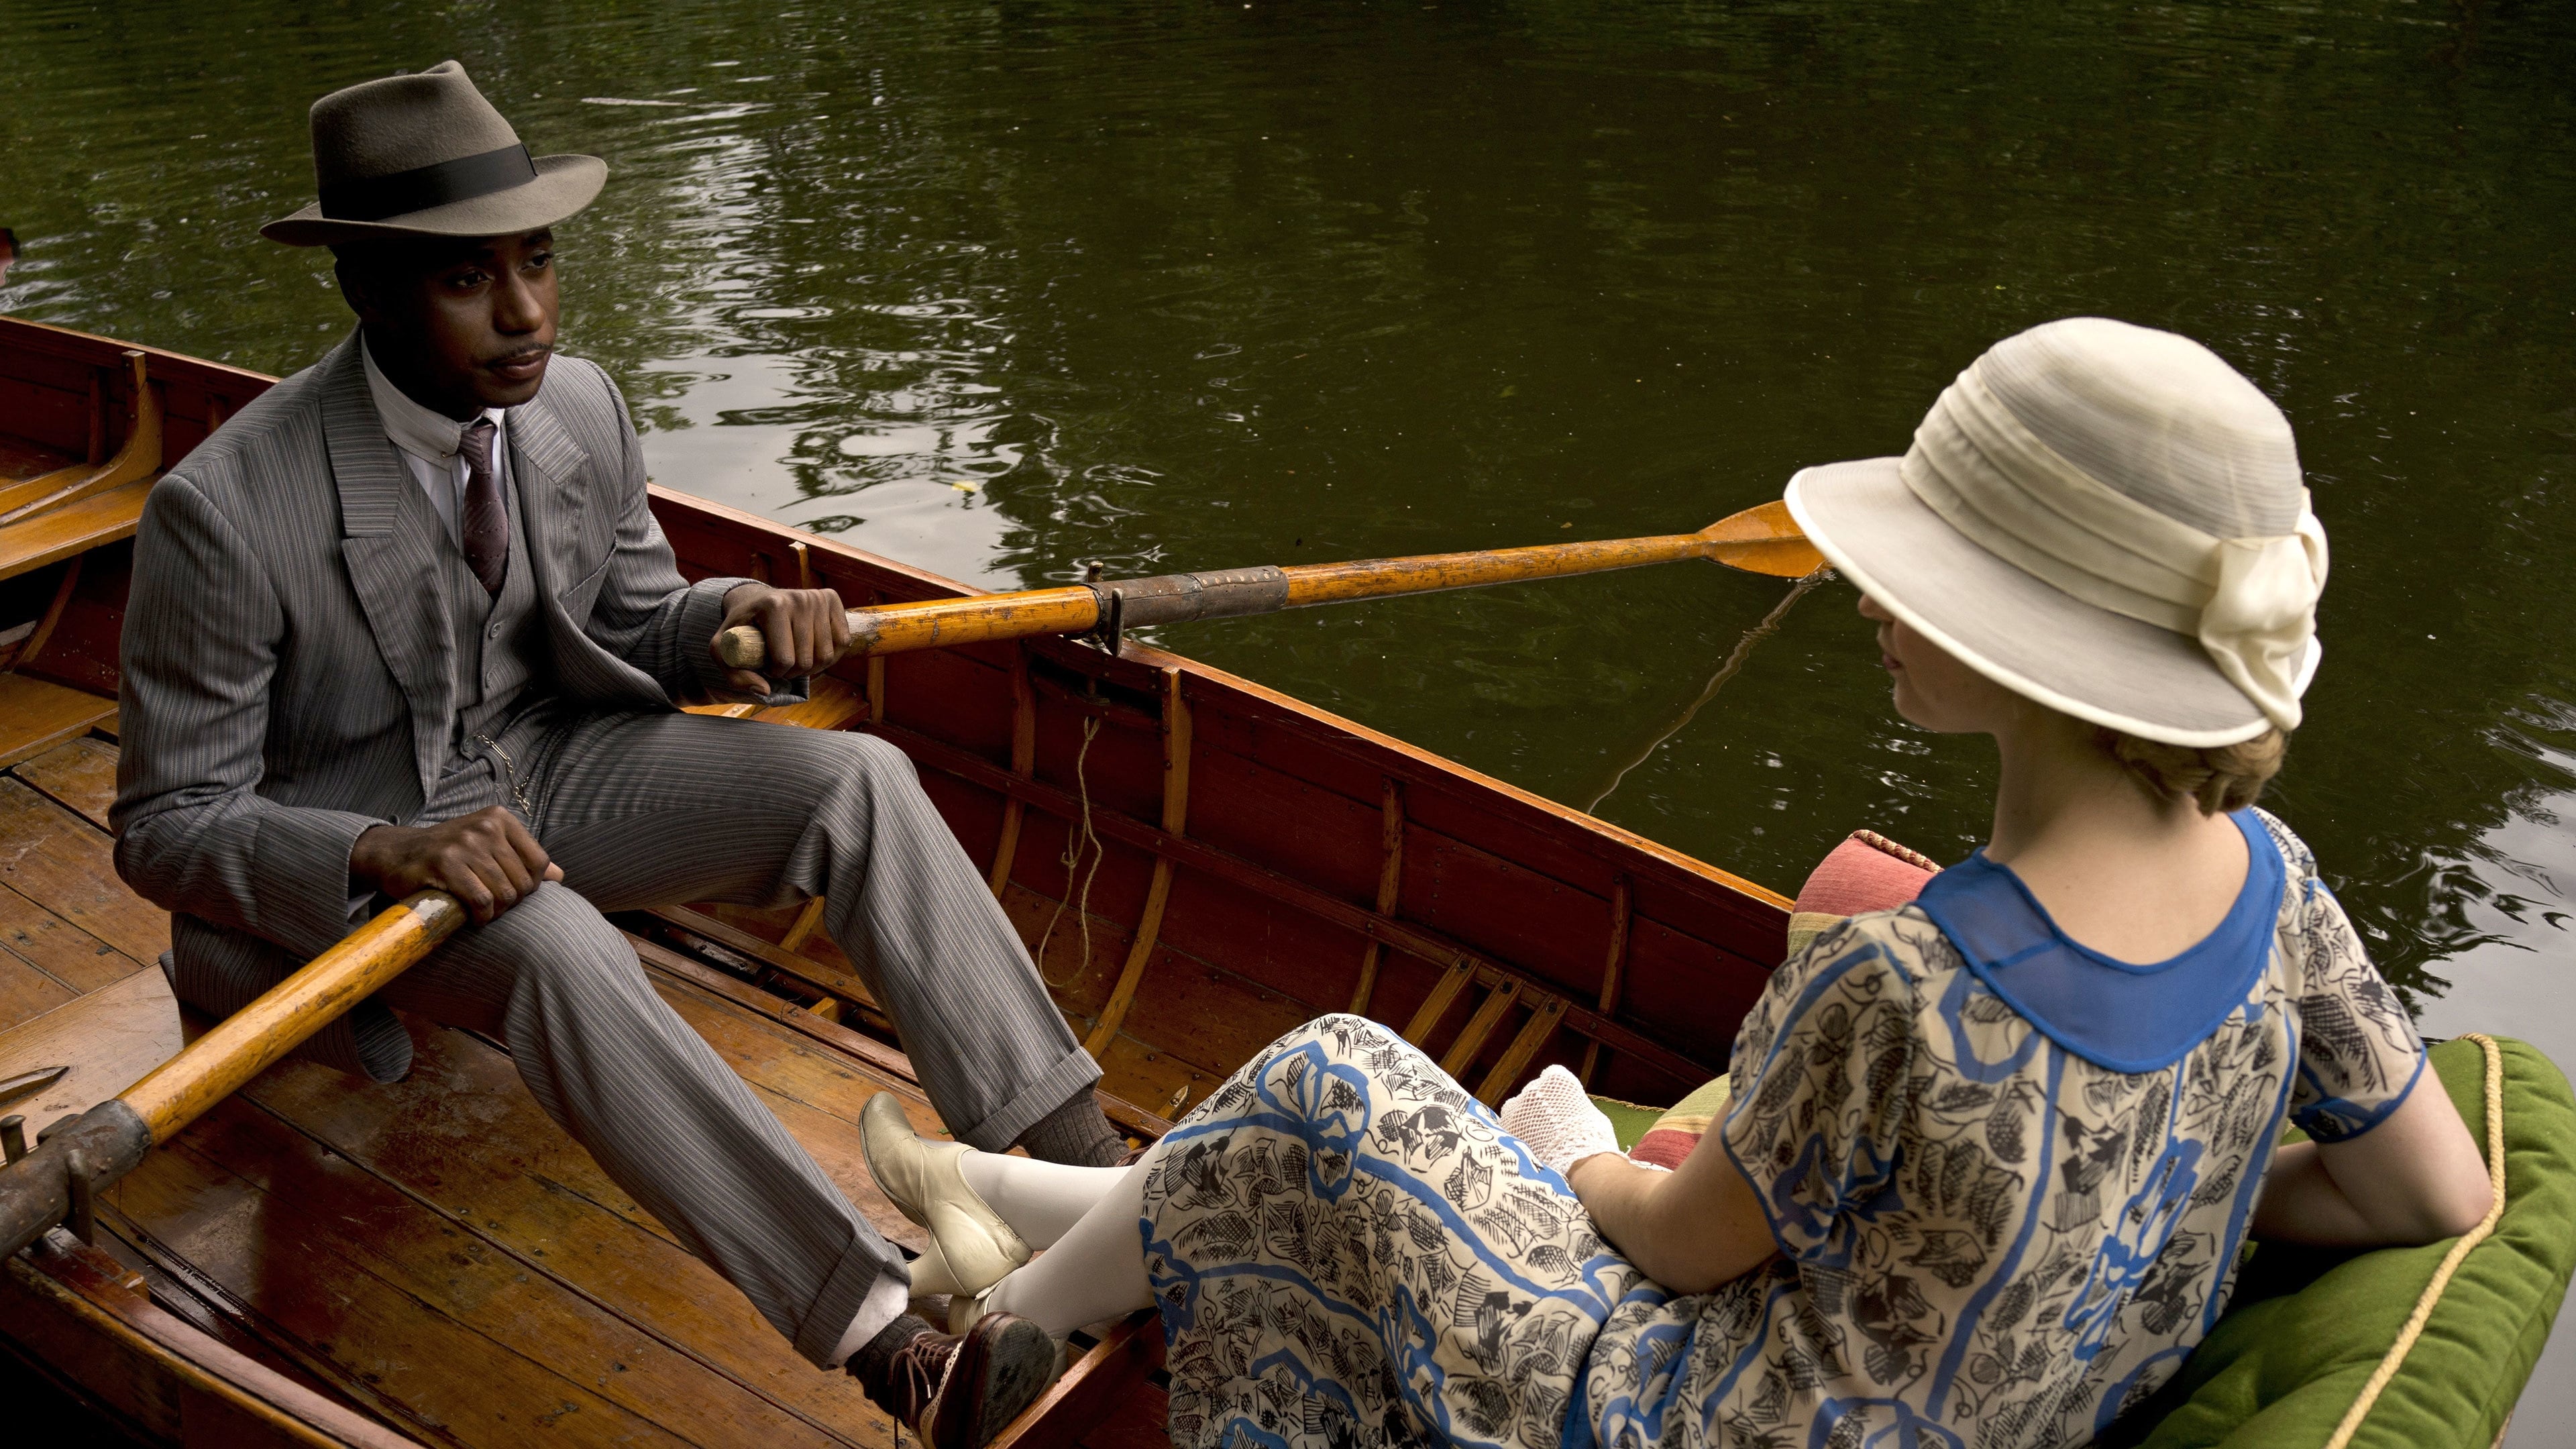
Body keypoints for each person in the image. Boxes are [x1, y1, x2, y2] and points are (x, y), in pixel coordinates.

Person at [853, 317, 2496, 1448]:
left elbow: (1675, 1242)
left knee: (1335, 1076)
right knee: (1326, 1128)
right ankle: (1013, 1222)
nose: (1865, 588)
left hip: (1674, 1418)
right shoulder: (2283, 891)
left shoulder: (1898, 983)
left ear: (2032, 645)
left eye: (1919, 564)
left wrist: (1569, 1150)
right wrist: (2149, 1194)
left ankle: (988, 1351)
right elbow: (2433, 1196)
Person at [112, 60, 1102, 1434]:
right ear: (365, 287)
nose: (525, 313)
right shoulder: (224, 511)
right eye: (469, 279)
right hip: (369, 865)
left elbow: (637, 620)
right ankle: (895, 1347)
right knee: (561, 946)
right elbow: (165, 826)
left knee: (860, 783)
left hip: (550, 766)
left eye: (538, 262)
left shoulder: (576, 406)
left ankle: (1087, 1184)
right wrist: (385, 849)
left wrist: (740, 619)